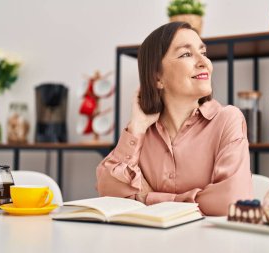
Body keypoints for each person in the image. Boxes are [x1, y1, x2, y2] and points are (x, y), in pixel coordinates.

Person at [96, 22, 252, 216]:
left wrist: (148, 197)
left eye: (203, 52)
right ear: (157, 78)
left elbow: (230, 201)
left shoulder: (228, 120)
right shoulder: (142, 133)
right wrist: (136, 128)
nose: (204, 62)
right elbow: (106, 188)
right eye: (186, 54)